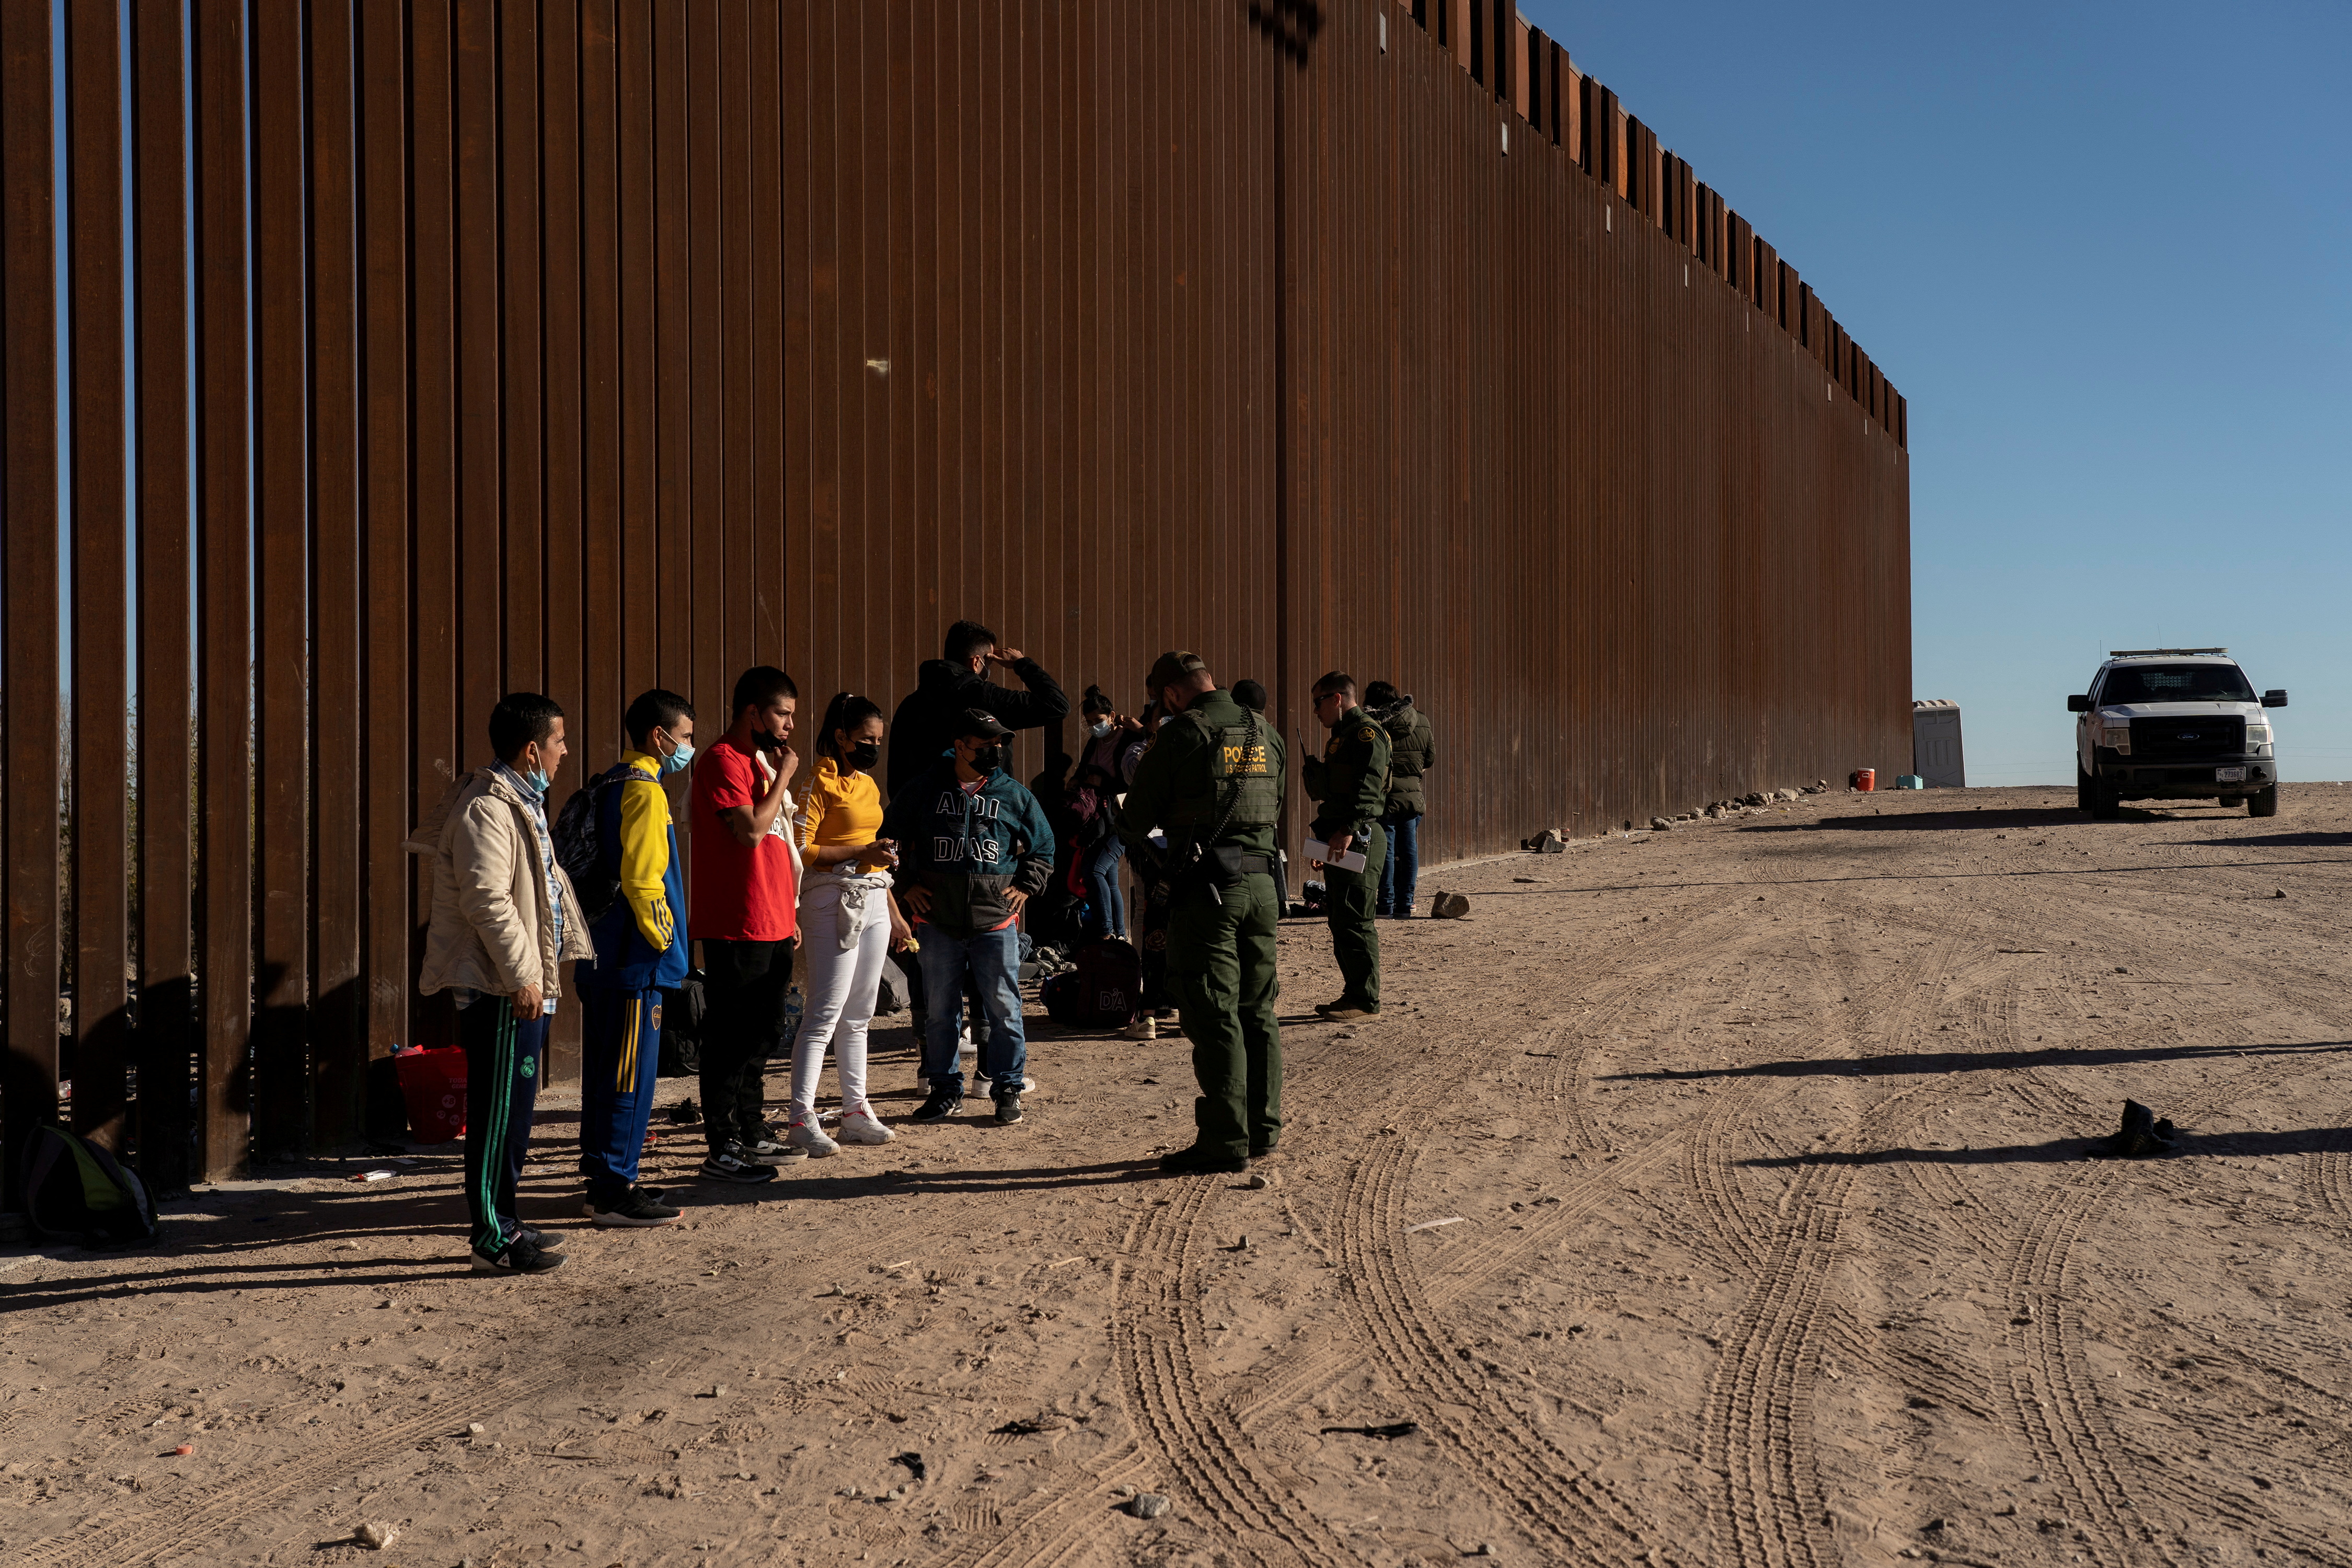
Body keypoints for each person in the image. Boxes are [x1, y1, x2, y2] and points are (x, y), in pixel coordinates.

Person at [406, 691, 594, 1274]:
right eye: (559, 741)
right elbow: (487, 900)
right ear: (533, 749)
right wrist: (523, 977)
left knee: (515, 1111)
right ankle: (491, 1237)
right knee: (496, 1116)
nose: (566, 751)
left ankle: (506, 1220)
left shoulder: (522, 801)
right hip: (501, 987)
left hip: (523, 983)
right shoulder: (487, 808)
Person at [1117, 652, 1287, 1174]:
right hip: (1263, 886)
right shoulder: (1265, 731)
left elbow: (1135, 818)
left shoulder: (1181, 734)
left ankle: (1224, 1140)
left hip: (1210, 890)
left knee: (1213, 1010)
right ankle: (1262, 1129)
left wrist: (1162, 865)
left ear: (1170, 694)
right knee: (1257, 1009)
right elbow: (1275, 804)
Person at [884, 708, 1056, 1126]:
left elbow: (1044, 847)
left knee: (1005, 1009)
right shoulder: (923, 789)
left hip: (995, 922)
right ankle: (945, 1092)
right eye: (984, 745)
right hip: (937, 922)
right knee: (941, 1012)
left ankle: (1008, 1088)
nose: (994, 752)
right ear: (959, 746)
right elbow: (888, 841)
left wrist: (1026, 885)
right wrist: (906, 884)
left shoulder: (1014, 794)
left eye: (998, 745)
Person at [570, 688, 695, 1227]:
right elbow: (644, 882)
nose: (689, 748)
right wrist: (666, 943)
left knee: (602, 1076)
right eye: (686, 738)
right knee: (629, 1078)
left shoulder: (606, 785)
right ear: (659, 737)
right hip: (633, 962)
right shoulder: (645, 793)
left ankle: (605, 1177)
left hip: (600, 954)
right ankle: (616, 1190)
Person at [784, 693, 914, 1156]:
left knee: (860, 1013)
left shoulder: (867, 784)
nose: (873, 747)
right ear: (840, 736)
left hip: (875, 895)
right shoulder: (818, 782)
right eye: (865, 739)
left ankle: (855, 1111)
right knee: (824, 1012)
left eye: (878, 740)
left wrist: (895, 913)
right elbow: (801, 851)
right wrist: (862, 854)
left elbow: (874, 850)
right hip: (830, 898)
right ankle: (801, 1117)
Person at [689, 665, 804, 1184]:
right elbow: (752, 832)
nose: (789, 727)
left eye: (792, 716)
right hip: (738, 922)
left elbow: (780, 844)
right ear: (752, 712)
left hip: (775, 919)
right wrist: (783, 777)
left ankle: (752, 1129)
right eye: (782, 714)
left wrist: (791, 914)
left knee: (764, 1032)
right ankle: (723, 1144)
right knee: (730, 1036)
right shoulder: (721, 760)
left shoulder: (759, 760)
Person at [885, 619, 1070, 801]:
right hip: (980, 815)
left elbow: (897, 770)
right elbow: (1057, 705)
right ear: (976, 663)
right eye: (989, 663)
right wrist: (1022, 664)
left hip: (921, 813)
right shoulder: (985, 697)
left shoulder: (912, 703)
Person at [1300, 671, 1391, 1021]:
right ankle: (1353, 993)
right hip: (1342, 836)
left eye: (1318, 702)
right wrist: (1326, 842)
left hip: (1359, 836)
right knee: (1340, 918)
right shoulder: (1343, 735)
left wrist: (1348, 830)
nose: (1315, 711)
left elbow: (1368, 789)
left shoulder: (1365, 733)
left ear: (1337, 699)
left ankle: (1366, 1000)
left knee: (1355, 919)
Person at [1072, 686, 1139, 940]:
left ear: (1112, 716)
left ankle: (1107, 932)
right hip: (1098, 819)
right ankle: (1120, 936)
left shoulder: (1129, 740)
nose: (1093, 727)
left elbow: (1131, 781)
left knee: (1094, 870)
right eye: (1089, 723)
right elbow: (1083, 769)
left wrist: (1103, 783)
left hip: (1120, 819)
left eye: (1098, 721)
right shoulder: (1095, 741)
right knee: (1110, 881)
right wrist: (1078, 781)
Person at [1364, 681, 1434, 919]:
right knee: (1410, 851)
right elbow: (1430, 758)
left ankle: (1385, 904)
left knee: (1387, 851)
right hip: (1413, 797)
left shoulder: (1372, 723)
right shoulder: (1421, 720)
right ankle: (1407, 903)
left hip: (1385, 799)